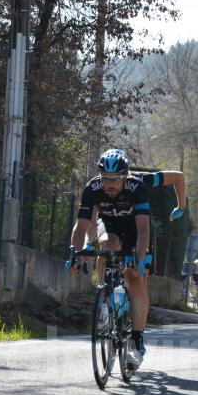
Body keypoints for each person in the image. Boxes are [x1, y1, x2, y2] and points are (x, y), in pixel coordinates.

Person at [68, 149, 151, 370]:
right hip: (110, 226)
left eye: (115, 179)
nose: (110, 184)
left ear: (125, 176)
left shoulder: (137, 188)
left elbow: (143, 229)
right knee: (107, 245)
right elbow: (81, 226)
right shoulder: (93, 188)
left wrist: (140, 260)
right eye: (105, 178)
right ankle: (104, 297)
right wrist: (75, 253)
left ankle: (136, 340)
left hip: (134, 229)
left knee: (134, 277)